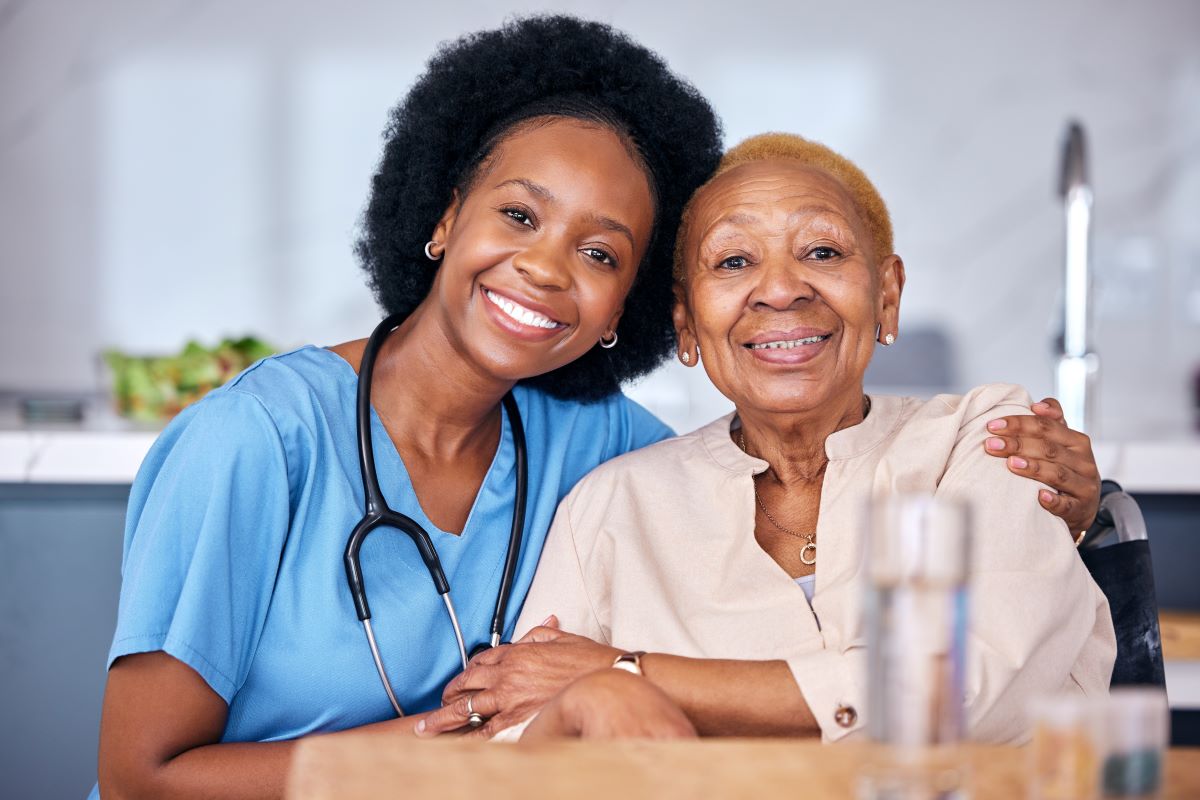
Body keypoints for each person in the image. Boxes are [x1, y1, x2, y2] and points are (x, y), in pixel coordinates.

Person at [93, 16, 724, 799]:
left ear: (623, 307)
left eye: (600, 254)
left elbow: (770, 502)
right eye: (519, 215)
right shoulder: (256, 441)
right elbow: (138, 779)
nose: (544, 267)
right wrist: (454, 749)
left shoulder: (597, 441)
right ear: (446, 217)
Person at [420, 133, 1115, 744]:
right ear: (688, 326)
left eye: (822, 251)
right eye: (732, 263)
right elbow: (517, 734)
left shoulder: (987, 440)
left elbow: (969, 697)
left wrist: (626, 673)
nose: (780, 290)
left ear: (886, 295)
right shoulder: (613, 502)